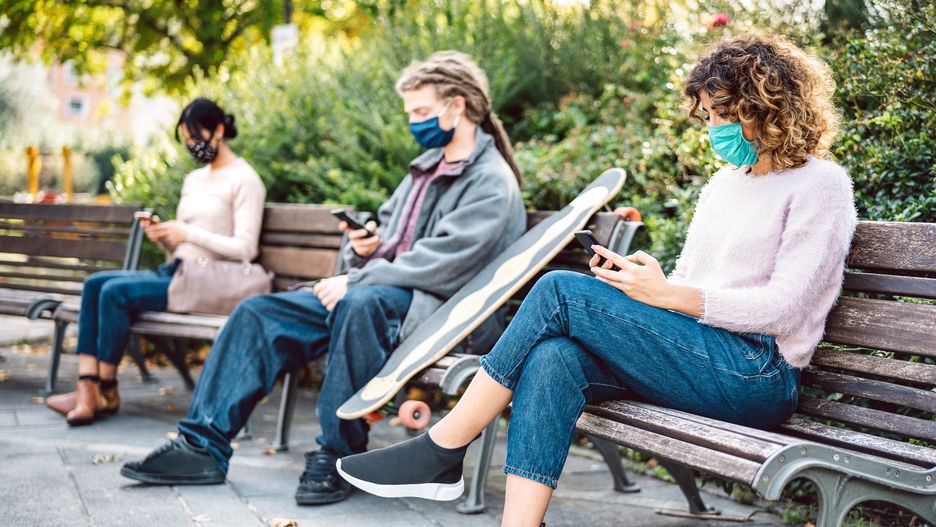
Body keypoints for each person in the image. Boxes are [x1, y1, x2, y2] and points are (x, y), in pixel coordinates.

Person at [336, 34, 859, 527]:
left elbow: (786, 307)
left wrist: (671, 295)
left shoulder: (821, 185)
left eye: (724, 113)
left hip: (757, 373)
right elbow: (686, 288)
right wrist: (644, 284)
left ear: (769, 106)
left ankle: (443, 448)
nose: (714, 127)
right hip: (700, 355)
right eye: (708, 116)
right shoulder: (724, 186)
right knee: (553, 357)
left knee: (558, 289)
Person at [119, 51, 527, 506]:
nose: (413, 122)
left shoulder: (492, 182)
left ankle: (339, 451)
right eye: (410, 112)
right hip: (383, 301)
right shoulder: (425, 168)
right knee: (259, 313)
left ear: (457, 106)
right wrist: (366, 243)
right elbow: (392, 235)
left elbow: (446, 261)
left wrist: (356, 279)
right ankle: (202, 447)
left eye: (421, 112)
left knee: (358, 303)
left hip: (442, 317)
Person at [46, 98, 266, 426]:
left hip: (205, 279)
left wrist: (188, 233)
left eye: (197, 136)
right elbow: (182, 246)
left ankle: (105, 390)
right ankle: (87, 387)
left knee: (115, 293)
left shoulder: (245, 179)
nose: (193, 145)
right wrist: (164, 236)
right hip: (178, 270)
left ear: (219, 130)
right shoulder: (194, 180)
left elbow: (245, 248)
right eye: (187, 140)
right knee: (95, 284)